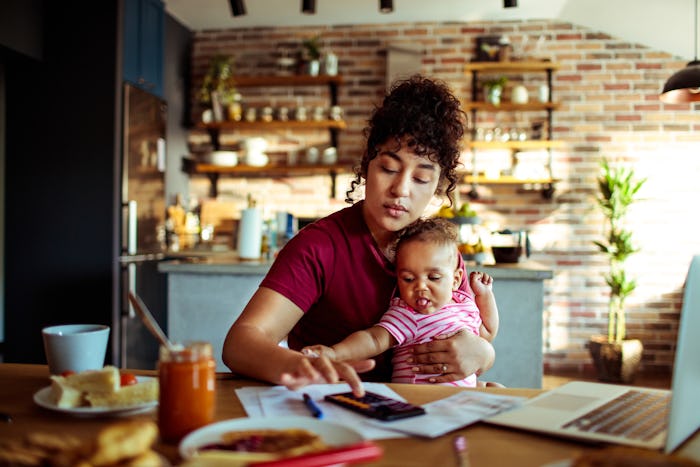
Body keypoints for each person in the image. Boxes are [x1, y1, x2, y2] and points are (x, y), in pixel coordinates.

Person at [222, 74, 496, 396]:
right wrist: (302, 367)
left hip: (426, 409)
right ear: (367, 165)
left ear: (437, 186)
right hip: (334, 404)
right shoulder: (319, 246)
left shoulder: (436, 250)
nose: (400, 190)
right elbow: (240, 343)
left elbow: (469, 331)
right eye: (389, 169)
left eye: (421, 178)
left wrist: (483, 355)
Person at [302, 217, 498, 387]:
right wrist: (335, 354)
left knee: (496, 390)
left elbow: (487, 333)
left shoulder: (464, 304)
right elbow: (373, 339)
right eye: (408, 279)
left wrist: (485, 296)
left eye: (434, 277)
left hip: (461, 398)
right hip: (417, 399)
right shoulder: (407, 313)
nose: (421, 287)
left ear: (455, 280)